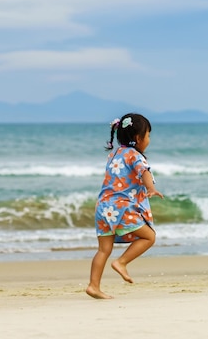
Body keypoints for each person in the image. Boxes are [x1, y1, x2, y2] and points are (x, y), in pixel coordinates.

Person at [86, 113, 164, 299]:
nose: (149, 140)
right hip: (121, 207)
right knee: (149, 237)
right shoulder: (135, 156)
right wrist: (151, 188)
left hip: (104, 207)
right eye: (148, 136)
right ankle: (121, 262)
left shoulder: (113, 154)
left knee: (103, 250)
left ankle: (93, 286)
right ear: (138, 138)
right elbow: (144, 172)